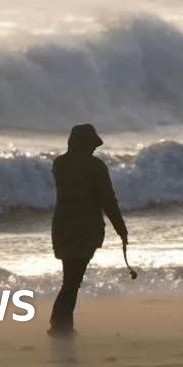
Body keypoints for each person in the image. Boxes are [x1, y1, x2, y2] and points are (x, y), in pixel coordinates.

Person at [48, 123, 128, 338]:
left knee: (70, 278)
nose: (95, 148)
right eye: (92, 144)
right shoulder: (96, 167)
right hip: (85, 227)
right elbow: (107, 200)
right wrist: (120, 228)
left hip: (63, 225)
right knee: (73, 280)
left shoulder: (60, 163)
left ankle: (63, 325)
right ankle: (59, 326)